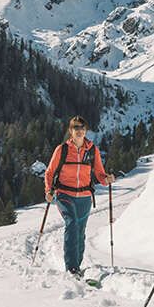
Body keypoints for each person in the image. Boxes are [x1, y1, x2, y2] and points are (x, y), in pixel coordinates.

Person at [44, 116, 115, 276]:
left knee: (80, 231)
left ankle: (78, 265)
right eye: (76, 128)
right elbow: (49, 173)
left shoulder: (92, 150)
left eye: (82, 128)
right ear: (71, 131)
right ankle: (71, 268)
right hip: (64, 194)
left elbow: (99, 173)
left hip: (84, 196)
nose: (80, 131)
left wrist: (107, 180)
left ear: (86, 130)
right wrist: (49, 191)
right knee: (72, 223)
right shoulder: (62, 150)